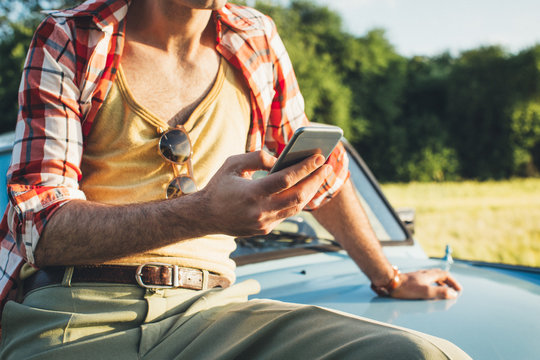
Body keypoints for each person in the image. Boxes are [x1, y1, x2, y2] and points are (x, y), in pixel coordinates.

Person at [0, 0, 470, 358]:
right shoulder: (70, 36)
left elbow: (319, 172)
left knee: (426, 354)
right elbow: (42, 228)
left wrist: (387, 277)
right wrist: (203, 213)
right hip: (78, 316)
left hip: (215, 311)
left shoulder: (255, 37)